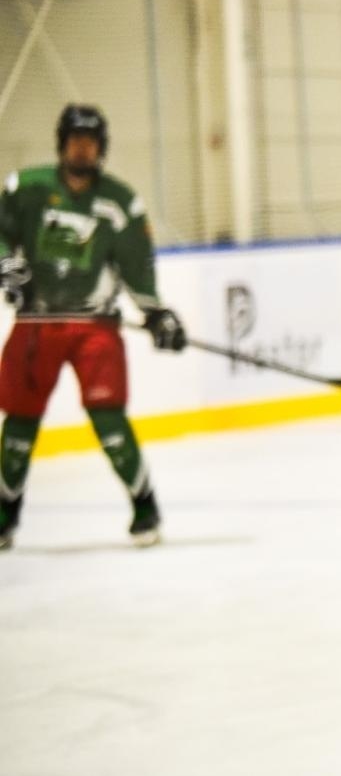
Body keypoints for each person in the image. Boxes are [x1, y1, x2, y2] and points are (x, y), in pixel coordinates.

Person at [0, 104, 186, 549]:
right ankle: (5, 513)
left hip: (93, 328)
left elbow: (137, 268)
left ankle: (145, 506)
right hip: (35, 325)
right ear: (62, 143)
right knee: (19, 421)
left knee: (109, 419)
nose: (82, 149)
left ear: (101, 148)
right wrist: (5, 264)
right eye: (75, 140)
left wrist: (156, 312)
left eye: (90, 142)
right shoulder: (26, 188)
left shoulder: (120, 203)